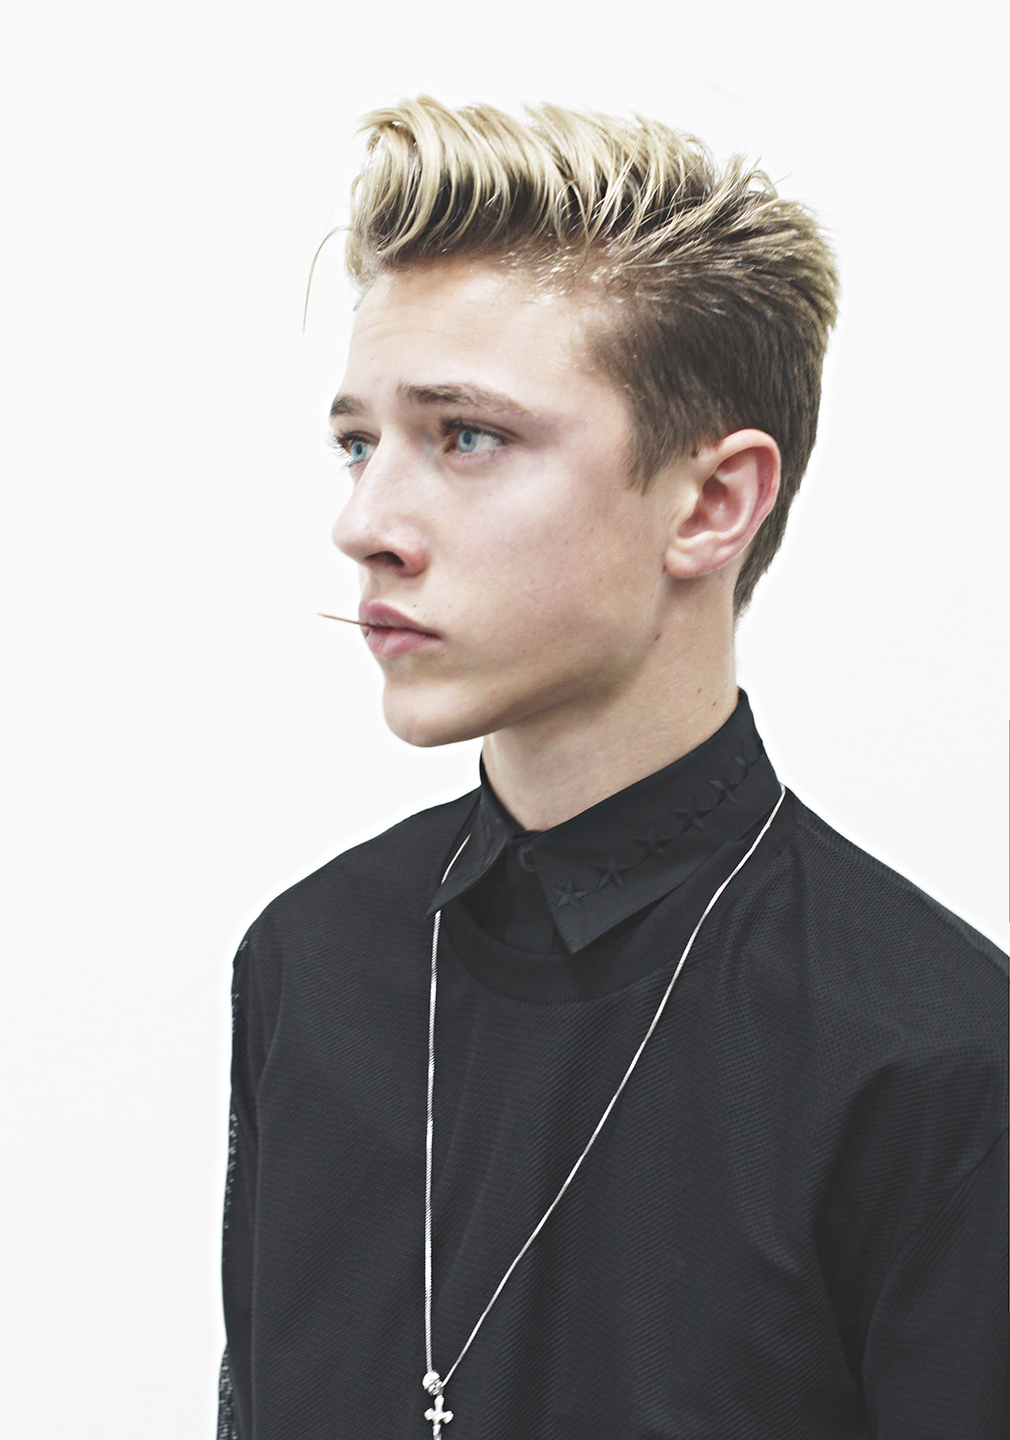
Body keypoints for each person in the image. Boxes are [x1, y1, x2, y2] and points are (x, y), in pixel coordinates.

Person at [218, 98, 1007, 1439]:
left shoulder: (937, 1058)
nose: (366, 522)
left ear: (712, 503)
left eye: (466, 436)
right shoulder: (309, 962)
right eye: (359, 443)